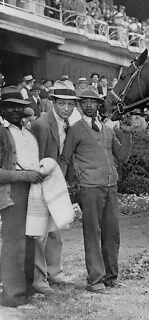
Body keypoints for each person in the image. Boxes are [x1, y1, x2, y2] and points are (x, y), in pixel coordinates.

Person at [59, 87, 133, 293]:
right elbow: (65, 158)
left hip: (110, 186)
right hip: (89, 187)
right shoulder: (75, 129)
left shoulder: (108, 130)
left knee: (112, 232)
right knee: (92, 232)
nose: (89, 105)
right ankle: (95, 279)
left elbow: (123, 156)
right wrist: (63, 184)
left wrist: (126, 134)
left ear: (99, 104)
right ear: (80, 105)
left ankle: (111, 276)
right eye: (84, 102)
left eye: (93, 102)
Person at [30, 80, 81, 295]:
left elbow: (66, 156)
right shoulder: (42, 123)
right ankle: (38, 279)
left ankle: (54, 272)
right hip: (40, 182)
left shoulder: (68, 124)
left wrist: (68, 181)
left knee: (55, 228)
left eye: (70, 105)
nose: (67, 108)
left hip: (57, 181)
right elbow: (36, 155)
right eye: (62, 104)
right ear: (53, 103)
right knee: (39, 232)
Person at [0, 86, 47, 307]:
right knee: (14, 242)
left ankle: (27, 289)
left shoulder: (27, 133)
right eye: (9, 106)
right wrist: (27, 175)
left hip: (32, 190)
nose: (15, 111)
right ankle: (12, 294)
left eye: (19, 107)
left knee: (30, 240)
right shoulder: (2, 133)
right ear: (2, 109)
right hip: (13, 191)